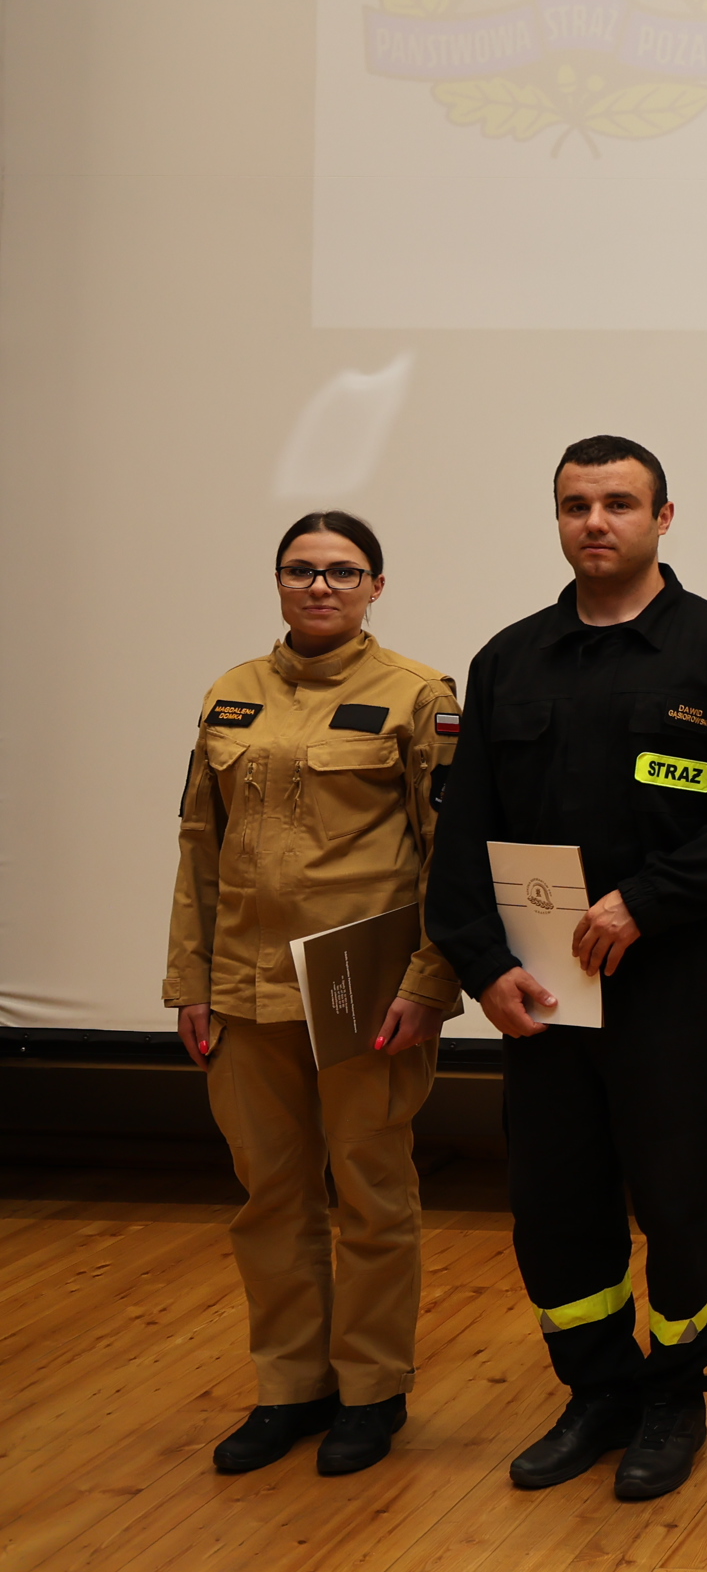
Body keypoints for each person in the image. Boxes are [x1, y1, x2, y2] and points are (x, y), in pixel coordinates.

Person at [425, 436, 707, 1502]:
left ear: (663, 518)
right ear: (558, 518)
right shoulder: (509, 661)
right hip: (542, 990)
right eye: (577, 505)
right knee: (556, 1202)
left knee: (678, 1199)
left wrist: (649, 899)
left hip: (668, 979)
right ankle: (596, 1390)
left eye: (620, 504)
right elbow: (462, 835)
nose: (596, 522)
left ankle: (675, 1394)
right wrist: (483, 966)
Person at [165, 512, 464, 1478]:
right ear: (280, 582)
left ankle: (371, 1391)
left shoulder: (419, 695)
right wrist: (191, 980)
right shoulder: (231, 695)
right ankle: (290, 1386)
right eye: (301, 570)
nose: (321, 586)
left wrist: (430, 981)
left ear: (377, 585)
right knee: (271, 1196)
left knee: (371, 1194)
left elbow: (448, 853)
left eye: (342, 571)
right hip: (244, 987)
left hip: (361, 986)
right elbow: (198, 849)